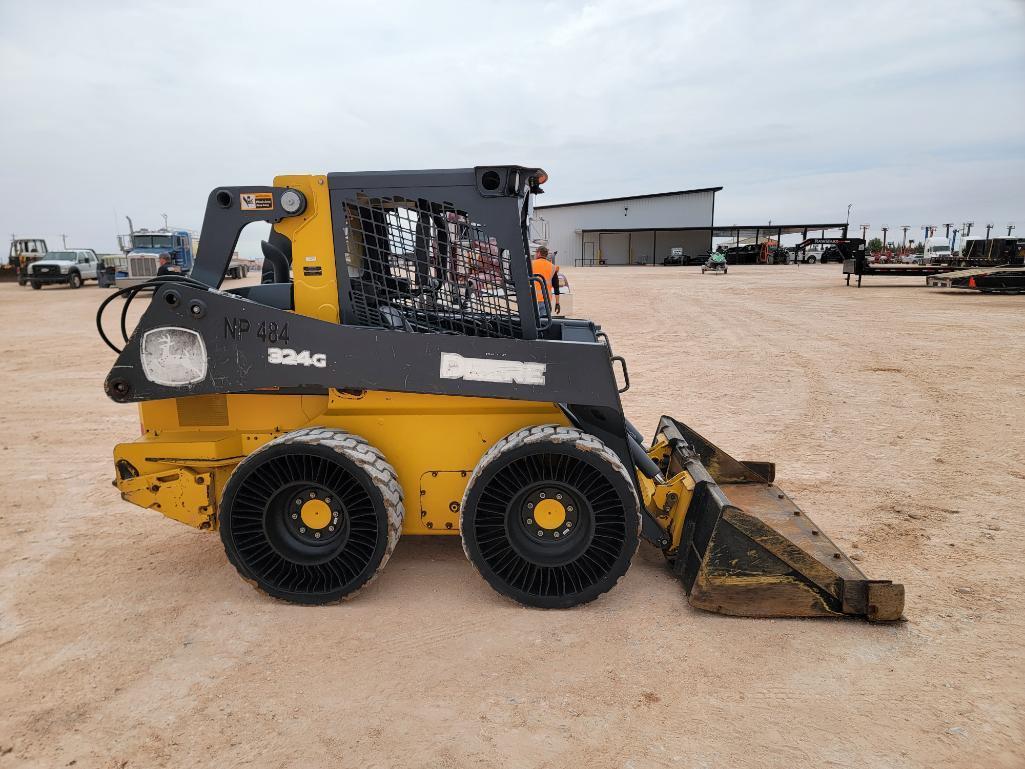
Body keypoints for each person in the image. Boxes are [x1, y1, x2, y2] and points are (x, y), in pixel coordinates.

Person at [530, 246, 560, 316]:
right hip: (546, 301)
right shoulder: (552, 267)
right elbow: (556, 286)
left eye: (535, 253)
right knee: (544, 324)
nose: (534, 255)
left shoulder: (530, 264)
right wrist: (557, 303)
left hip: (532, 300)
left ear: (539, 253)